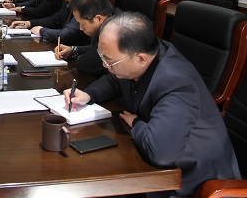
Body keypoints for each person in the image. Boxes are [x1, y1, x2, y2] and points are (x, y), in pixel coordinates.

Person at [64, 12, 241, 197]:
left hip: (191, 181)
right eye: (102, 56)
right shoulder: (142, 56)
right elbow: (115, 80)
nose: (104, 65)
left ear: (140, 59)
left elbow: (161, 153)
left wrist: (136, 123)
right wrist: (88, 94)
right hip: (157, 161)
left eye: (109, 60)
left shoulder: (177, 82)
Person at [55, 0, 121, 77]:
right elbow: (93, 48)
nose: (80, 28)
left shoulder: (113, 34)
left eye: (82, 24)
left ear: (98, 19)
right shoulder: (111, 19)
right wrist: (72, 51)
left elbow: (85, 64)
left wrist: (81, 58)